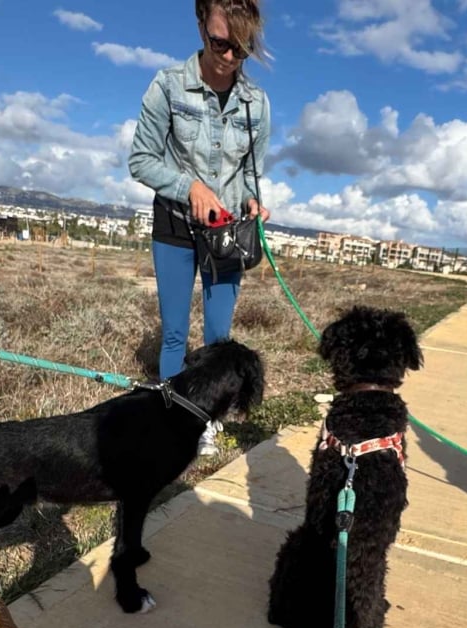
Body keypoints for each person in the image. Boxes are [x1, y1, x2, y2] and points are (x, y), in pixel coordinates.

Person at [128, 0, 272, 454]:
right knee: (174, 332)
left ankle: (206, 418)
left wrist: (255, 202)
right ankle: (173, 422)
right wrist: (188, 185)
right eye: (220, 43)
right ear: (200, 26)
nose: (229, 57)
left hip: (226, 234)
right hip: (174, 223)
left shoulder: (256, 104)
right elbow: (141, 160)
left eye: (242, 49)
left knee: (218, 336)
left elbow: (252, 174)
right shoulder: (169, 85)